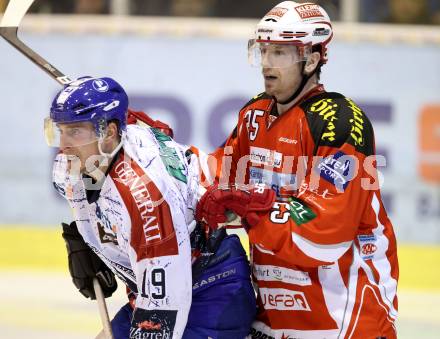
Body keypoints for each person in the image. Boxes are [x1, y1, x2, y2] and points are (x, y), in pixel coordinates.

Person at [196, 1, 399, 338]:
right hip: (274, 315)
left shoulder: (340, 123)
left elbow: (325, 235)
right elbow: (217, 178)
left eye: (280, 53)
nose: (266, 64)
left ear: (313, 59)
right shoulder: (255, 115)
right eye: (263, 51)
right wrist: (154, 152)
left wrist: (253, 205)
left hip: (347, 316)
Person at [45, 76, 256, 339]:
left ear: (109, 133)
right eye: (59, 130)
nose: (63, 144)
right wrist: (95, 240)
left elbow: (164, 305)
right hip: (166, 279)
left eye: (74, 131)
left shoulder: (145, 198)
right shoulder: (81, 160)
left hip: (212, 291)